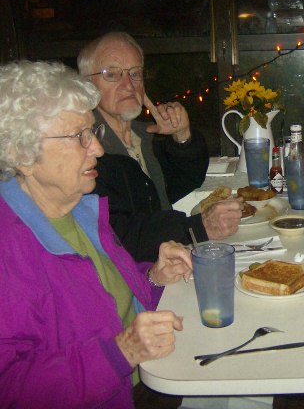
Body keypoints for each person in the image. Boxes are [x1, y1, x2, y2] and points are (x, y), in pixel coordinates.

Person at [0, 61, 192, 408]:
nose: (98, 150)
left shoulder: (79, 210)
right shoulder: (8, 251)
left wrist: (154, 277)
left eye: (93, 133)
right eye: (79, 137)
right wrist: (123, 352)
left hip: (153, 375)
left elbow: (113, 303)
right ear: (22, 154)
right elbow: (10, 390)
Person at [77, 32, 242, 260]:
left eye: (135, 73)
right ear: (86, 85)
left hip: (168, 257)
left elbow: (182, 182)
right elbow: (117, 235)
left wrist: (182, 137)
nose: (129, 85)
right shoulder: (85, 151)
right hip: (138, 275)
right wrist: (197, 227)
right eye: (112, 74)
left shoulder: (143, 135)